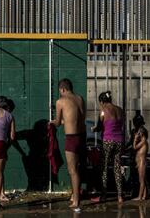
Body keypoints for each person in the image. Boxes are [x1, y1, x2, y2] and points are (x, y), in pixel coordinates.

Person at [49, 78, 86, 211]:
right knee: (78, 168)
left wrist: (52, 122)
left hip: (71, 138)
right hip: (82, 136)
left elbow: (58, 122)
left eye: (60, 91)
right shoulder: (80, 98)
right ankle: (74, 195)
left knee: (72, 170)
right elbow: (79, 118)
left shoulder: (60, 101)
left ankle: (76, 200)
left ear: (62, 89)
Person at [91, 91, 125, 203]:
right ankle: (120, 196)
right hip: (119, 141)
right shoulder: (120, 110)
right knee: (117, 168)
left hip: (108, 141)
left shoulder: (103, 111)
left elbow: (100, 126)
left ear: (102, 102)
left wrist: (94, 129)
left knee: (104, 168)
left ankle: (104, 195)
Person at [133, 126, 148, 200]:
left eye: (139, 132)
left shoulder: (143, 141)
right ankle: (144, 196)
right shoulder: (143, 141)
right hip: (140, 162)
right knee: (143, 179)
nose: (138, 134)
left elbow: (134, 147)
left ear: (142, 133)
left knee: (141, 180)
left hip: (142, 163)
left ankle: (139, 196)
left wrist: (135, 139)